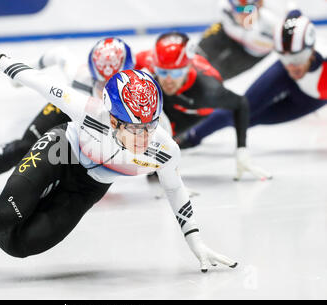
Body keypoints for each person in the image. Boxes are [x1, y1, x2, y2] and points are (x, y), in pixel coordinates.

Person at [0, 28, 237, 293]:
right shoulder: (87, 110)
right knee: (6, 213)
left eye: (150, 126)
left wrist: (196, 242)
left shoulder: (164, 148)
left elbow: (176, 191)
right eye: (134, 128)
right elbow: (35, 79)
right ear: (112, 119)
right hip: (61, 150)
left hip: (88, 186)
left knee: (23, 246)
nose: (144, 137)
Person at [0, 37, 136, 204]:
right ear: (93, 73)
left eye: (113, 81)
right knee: (26, 147)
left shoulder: (138, 87)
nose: (107, 88)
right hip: (68, 107)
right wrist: (26, 71)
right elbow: (59, 53)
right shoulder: (79, 74)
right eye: (100, 82)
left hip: (96, 122)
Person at [176, 11, 327, 157]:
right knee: (240, 110)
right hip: (283, 77)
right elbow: (294, 13)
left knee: (246, 121)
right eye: (284, 57)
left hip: (308, 99)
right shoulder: (287, 67)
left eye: (297, 59)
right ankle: (188, 136)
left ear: (311, 49)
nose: (292, 66)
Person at [135, 31, 271, 180]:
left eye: (175, 73)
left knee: (153, 149)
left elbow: (241, 103)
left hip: (192, 110)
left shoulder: (208, 90)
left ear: (188, 68)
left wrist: (241, 150)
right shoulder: (150, 61)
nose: (168, 79)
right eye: (162, 71)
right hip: (169, 99)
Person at [197, 0, 278, 80]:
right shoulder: (224, 7)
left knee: (215, 78)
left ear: (260, 5)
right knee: (196, 56)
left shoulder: (272, 26)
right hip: (228, 35)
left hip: (249, 53)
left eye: (249, 9)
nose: (244, 15)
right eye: (239, 9)